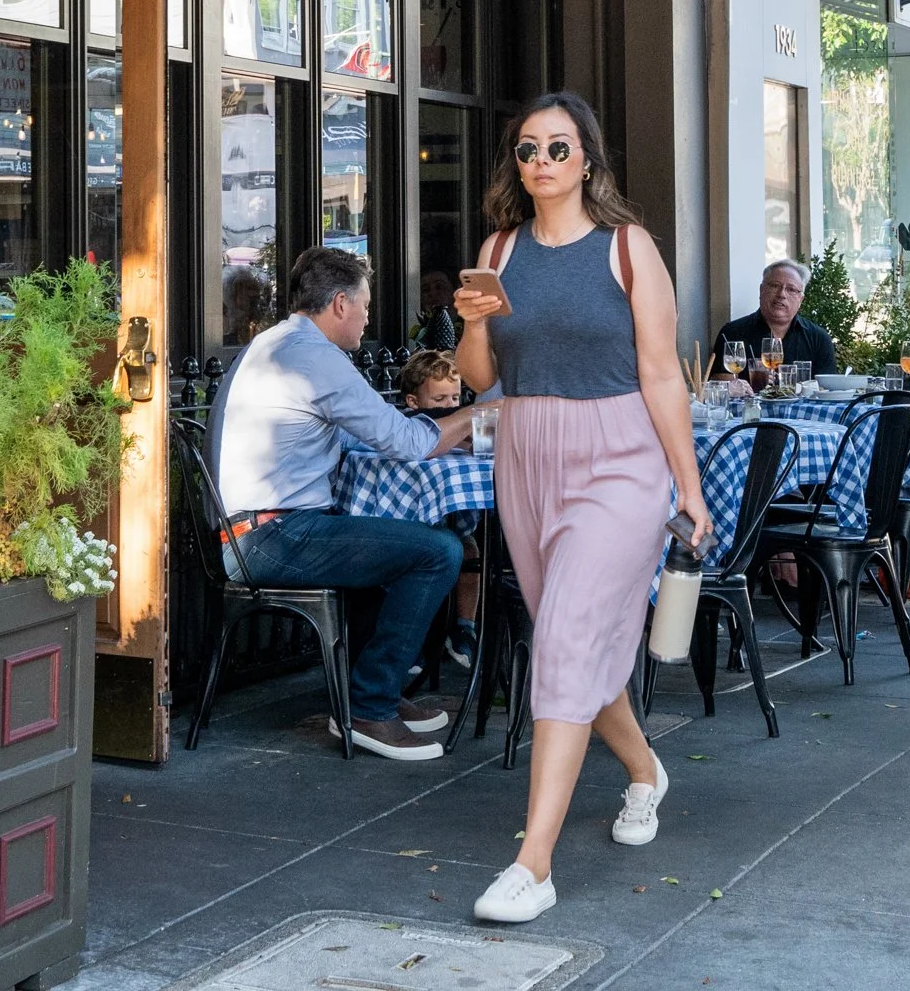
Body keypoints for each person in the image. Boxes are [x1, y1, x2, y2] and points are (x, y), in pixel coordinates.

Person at [452, 91, 712, 926]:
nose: (542, 163)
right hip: (526, 456)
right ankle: (645, 770)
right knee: (578, 640)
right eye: (529, 150)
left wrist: (691, 488)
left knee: (564, 637)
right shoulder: (500, 248)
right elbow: (482, 379)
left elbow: (663, 375)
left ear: (588, 161)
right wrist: (469, 322)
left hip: (619, 460)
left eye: (558, 149)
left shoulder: (628, 249)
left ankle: (533, 864)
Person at [208, 246, 476, 760]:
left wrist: (437, 428)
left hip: (253, 528)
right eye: (366, 307)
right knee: (439, 551)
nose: (368, 318)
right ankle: (369, 709)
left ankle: (373, 693)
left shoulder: (277, 342)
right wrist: (479, 414)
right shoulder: (316, 360)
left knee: (389, 534)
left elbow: (358, 438)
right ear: (339, 304)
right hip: (269, 537)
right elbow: (407, 443)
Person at [399, 350, 482, 668]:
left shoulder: (465, 429)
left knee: (469, 549)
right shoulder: (412, 428)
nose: (450, 407)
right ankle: (413, 639)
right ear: (414, 402)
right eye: (440, 399)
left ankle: (465, 628)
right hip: (414, 514)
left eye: (455, 398)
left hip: (452, 512)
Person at [723, 260, 839, 376]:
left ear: (800, 300)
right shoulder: (732, 332)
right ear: (761, 290)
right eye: (775, 286)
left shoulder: (818, 338)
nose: (781, 294)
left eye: (791, 289)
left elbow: (827, 387)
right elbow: (718, 379)